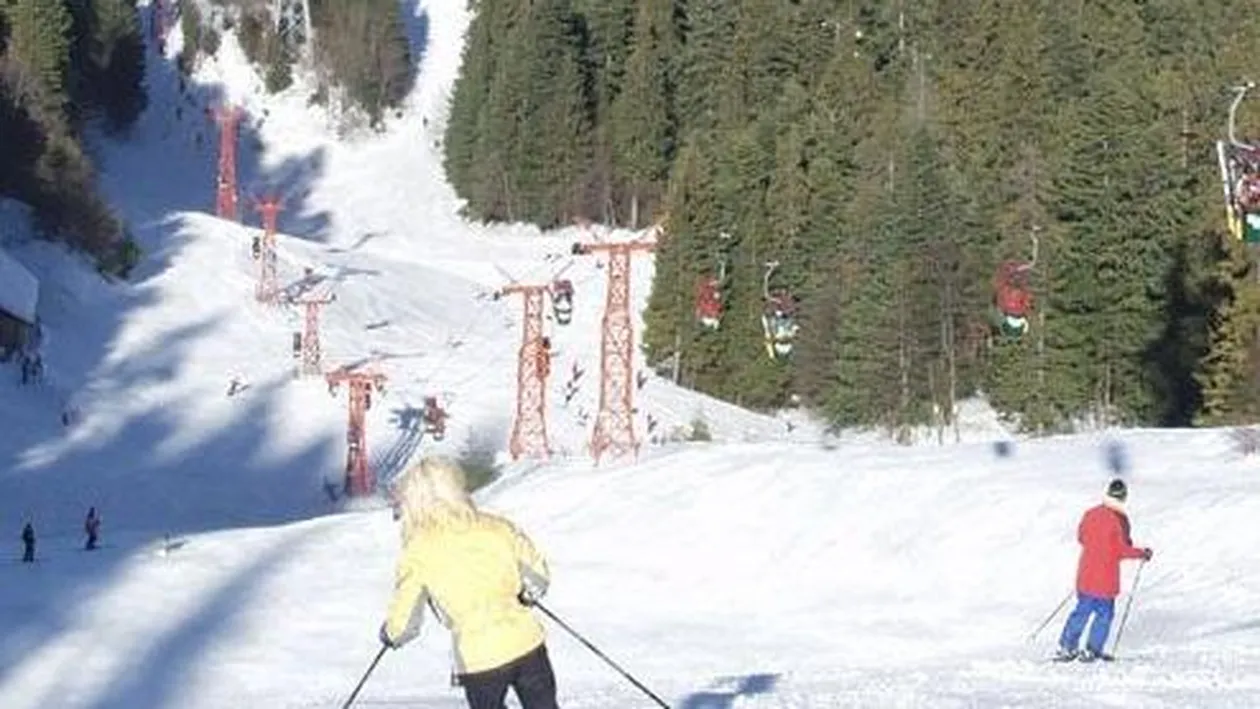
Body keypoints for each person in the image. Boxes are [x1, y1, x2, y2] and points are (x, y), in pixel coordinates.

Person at [379, 457, 558, 709]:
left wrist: (391, 635)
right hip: (527, 643)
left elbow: (406, 620)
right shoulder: (496, 526)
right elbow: (538, 576)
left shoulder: (417, 551)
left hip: (479, 658)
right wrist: (525, 595)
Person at [1056, 478, 1152, 662]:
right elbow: (1122, 549)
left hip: (1086, 574)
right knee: (1104, 615)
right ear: (1123, 497)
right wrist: (1142, 553)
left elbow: (1081, 538)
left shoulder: (1090, 513)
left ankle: (1067, 647)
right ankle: (1092, 650)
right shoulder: (1120, 520)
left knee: (1081, 612)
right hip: (1106, 579)